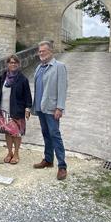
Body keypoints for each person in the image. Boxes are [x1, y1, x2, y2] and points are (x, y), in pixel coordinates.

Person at [31, 41, 69, 180]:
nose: (41, 53)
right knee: (46, 134)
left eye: (44, 51)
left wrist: (59, 107)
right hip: (41, 107)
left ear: (51, 51)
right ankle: (48, 159)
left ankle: (62, 166)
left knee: (55, 135)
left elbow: (63, 88)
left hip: (52, 109)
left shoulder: (59, 67)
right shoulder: (39, 67)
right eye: (39, 51)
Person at [0, 54, 32, 165]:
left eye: (15, 62)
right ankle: (9, 152)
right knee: (7, 132)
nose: (13, 64)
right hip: (3, 110)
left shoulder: (22, 79)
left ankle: (16, 154)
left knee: (16, 133)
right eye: (11, 62)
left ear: (18, 64)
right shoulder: (3, 77)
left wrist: (28, 108)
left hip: (17, 110)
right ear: (7, 64)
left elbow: (28, 95)